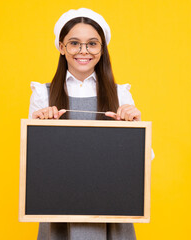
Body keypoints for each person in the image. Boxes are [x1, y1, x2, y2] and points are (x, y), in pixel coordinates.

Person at [28, 8, 153, 240]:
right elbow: (35, 168)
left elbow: (143, 164)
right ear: (61, 47)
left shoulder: (120, 95)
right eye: (74, 43)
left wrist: (134, 128)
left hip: (111, 213)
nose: (83, 51)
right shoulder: (42, 95)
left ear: (102, 49)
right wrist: (40, 133)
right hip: (59, 213)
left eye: (92, 44)